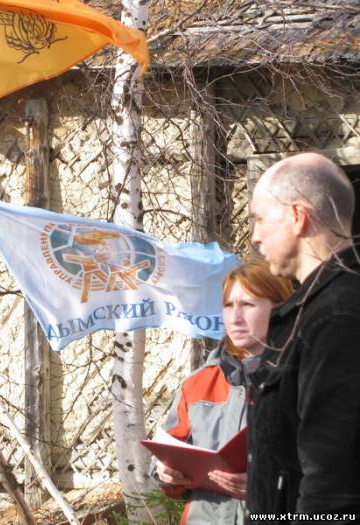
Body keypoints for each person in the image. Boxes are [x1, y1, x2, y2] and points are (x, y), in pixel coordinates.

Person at [246, 152, 360, 522]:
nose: (255, 236)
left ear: (298, 216)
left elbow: (333, 482)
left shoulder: (338, 315)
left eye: (260, 219)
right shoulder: (313, 308)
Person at [154, 258, 293, 524]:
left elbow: (334, 474)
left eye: (248, 304)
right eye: (228, 305)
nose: (235, 317)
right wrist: (165, 472)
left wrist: (267, 487)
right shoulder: (196, 383)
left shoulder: (307, 378)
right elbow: (166, 454)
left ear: (280, 308)